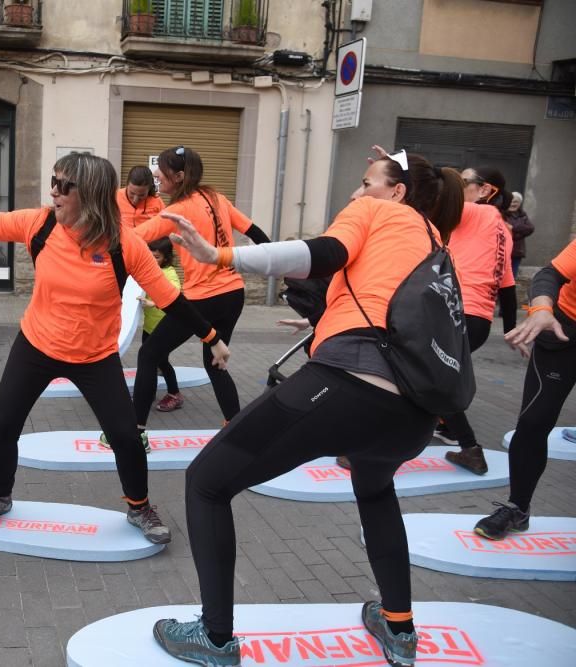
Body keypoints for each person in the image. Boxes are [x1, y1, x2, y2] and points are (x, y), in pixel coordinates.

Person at [152, 150, 465, 667]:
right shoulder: (434, 242)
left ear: (397, 192)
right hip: (413, 416)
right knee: (376, 490)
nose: (356, 194)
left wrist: (221, 257)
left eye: (366, 183)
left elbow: (317, 253)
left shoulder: (378, 212)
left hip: (348, 390)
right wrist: (325, 322)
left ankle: (213, 638)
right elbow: (397, 311)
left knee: (207, 481)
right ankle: (399, 629)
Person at [0, 153, 230, 545]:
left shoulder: (123, 244)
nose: (53, 192)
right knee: (2, 428)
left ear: (90, 194)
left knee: (126, 438)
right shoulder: (39, 224)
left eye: (64, 186)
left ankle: (139, 505)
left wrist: (211, 337)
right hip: (37, 344)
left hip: (95, 355)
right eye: (53, 182)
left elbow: (170, 299)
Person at [132, 146, 270, 436]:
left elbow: (135, 238)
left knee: (148, 355)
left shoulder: (178, 209)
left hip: (202, 299)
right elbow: (257, 233)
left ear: (179, 176)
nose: (157, 176)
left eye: (162, 173)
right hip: (234, 294)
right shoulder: (217, 197)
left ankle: (136, 432)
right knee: (214, 362)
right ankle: (235, 428)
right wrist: (279, 268)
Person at [473, 238, 575, 541]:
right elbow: (549, 275)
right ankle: (518, 509)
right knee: (533, 423)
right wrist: (542, 308)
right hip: (563, 330)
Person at [435, 166, 516, 475]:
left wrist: (398, 167)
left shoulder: (473, 213)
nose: (457, 186)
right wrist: (510, 330)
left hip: (456, 313)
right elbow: (507, 286)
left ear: (485, 191)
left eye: (463, 181)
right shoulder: (501, 228)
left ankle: (376, 447)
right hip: (478, 322)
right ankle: (459, 438)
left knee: (419, 371)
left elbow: (430, 195)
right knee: (436, 376)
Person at [139, 238, 184, 413]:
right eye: (150, 256)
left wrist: (153, 303)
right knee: (147, 362)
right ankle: (147, 392)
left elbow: (175, 295)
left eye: (156, 257)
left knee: (162, 362)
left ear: (166, 258)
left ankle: (175, 394)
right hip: (150, 326)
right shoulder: (149, 270)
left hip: (165, 327)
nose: (152, 260)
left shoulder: (170, 273)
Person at [505, 191, 534, 280]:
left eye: (516, 201)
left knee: (512, 276)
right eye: (511, 201)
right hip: (504, 250)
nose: (513, 203)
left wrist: (513, 227)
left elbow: (530, 228)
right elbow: (503, 228)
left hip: (517, 251)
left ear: (519, 203)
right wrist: (520, 231)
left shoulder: (522, 215)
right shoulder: (503, 214)